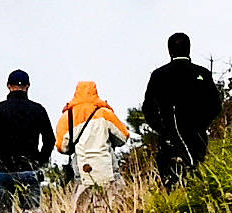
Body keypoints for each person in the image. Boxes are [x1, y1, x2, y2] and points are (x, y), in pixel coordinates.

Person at [135, 33, 222, 182]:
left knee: (172, 183)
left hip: (170, 138)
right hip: (197, 137)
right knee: (198, 178)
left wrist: (163, 129)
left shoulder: (159, 75)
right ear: (189, 49)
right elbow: (215, 106)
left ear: (169, 50)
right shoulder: (202, 73)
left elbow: (148, 109)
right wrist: (201, 125)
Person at [0, 69, 56, 213]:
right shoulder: (38, 109)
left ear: (8, 86)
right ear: (27, 86)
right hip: (29, 169)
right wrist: (40, 161)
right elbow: (49, 139)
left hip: (4, 170)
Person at [57, 78, 136, 188]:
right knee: (113, 200)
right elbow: (123, 136)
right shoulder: (105, 113)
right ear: (95, 92)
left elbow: (61, 147)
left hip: (81, 166)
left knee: (83, 201)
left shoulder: (67, 116)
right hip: (107, 165)